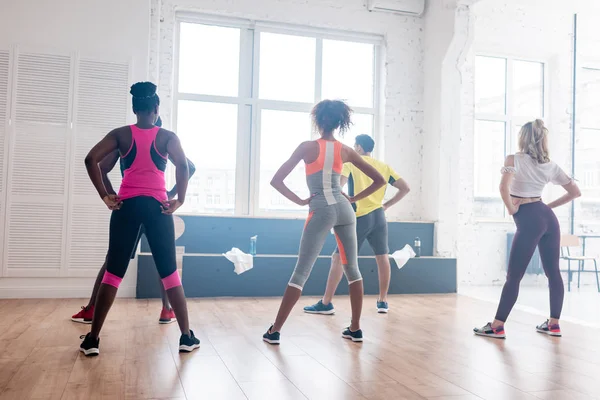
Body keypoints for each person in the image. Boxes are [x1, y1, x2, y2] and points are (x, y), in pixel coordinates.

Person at [79, 82, 199, 356]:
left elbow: (91, 160)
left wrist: (106, 196)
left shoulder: (120, 135)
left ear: (135, 109)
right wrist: (178, 198)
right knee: (169, 273)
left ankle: (93, 340)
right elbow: (184, 165)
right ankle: (186, 337)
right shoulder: (168, 136)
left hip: (127, 208)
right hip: (158, 209)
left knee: (113, 273)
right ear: (156, 109)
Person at [262, 100, 386, 345]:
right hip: (345, 210)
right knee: (353, 270)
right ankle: (355, 328)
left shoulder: (307, 147)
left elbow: (276, 180)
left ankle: (274, 331)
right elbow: (379, 180)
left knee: (301, 272)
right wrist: (353, 198)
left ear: (318, 120)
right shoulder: (346, 150)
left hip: (321, 210)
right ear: (340, 122)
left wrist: (299, 200)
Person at [474, 119, 581, 339]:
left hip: (529, 219)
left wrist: (511, 209)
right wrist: (546, 207)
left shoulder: (514, 159)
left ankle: (497, 326)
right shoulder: (550, 165)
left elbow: (503, 186)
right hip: (547, 219)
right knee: (553, 273)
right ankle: (553, 324)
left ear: (523, 138)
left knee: (514, 276)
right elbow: (575, 192)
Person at [303, 134, 410, 315]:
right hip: (379, 217)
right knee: (382, 257)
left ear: (359, 148)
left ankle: (326, 303)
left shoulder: (351, 164)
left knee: (338, 258)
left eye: (355, 146)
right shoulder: (384, 167)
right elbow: (405, 188)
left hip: (360, 217)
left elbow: (338, 186)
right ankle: (382, 301)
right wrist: (386, 205)